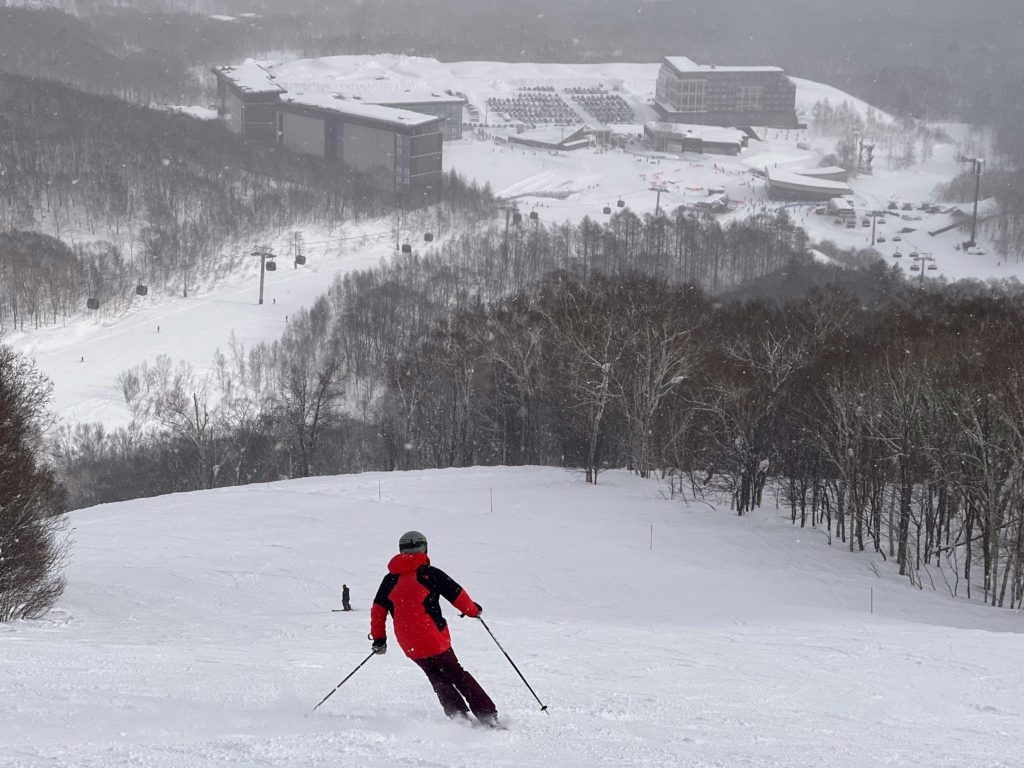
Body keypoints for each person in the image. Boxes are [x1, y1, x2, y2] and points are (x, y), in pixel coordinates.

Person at [370, 530, 499, 727]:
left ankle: (458, 717)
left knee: (435, 675)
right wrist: (473, 611)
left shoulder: (389, 580)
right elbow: (458, 595)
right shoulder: (430, 574)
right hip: (433, 638)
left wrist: (380, 640)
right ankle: (487, 715)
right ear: (425, 548)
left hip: (408, 642)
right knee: (456, 672)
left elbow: (378, 611)